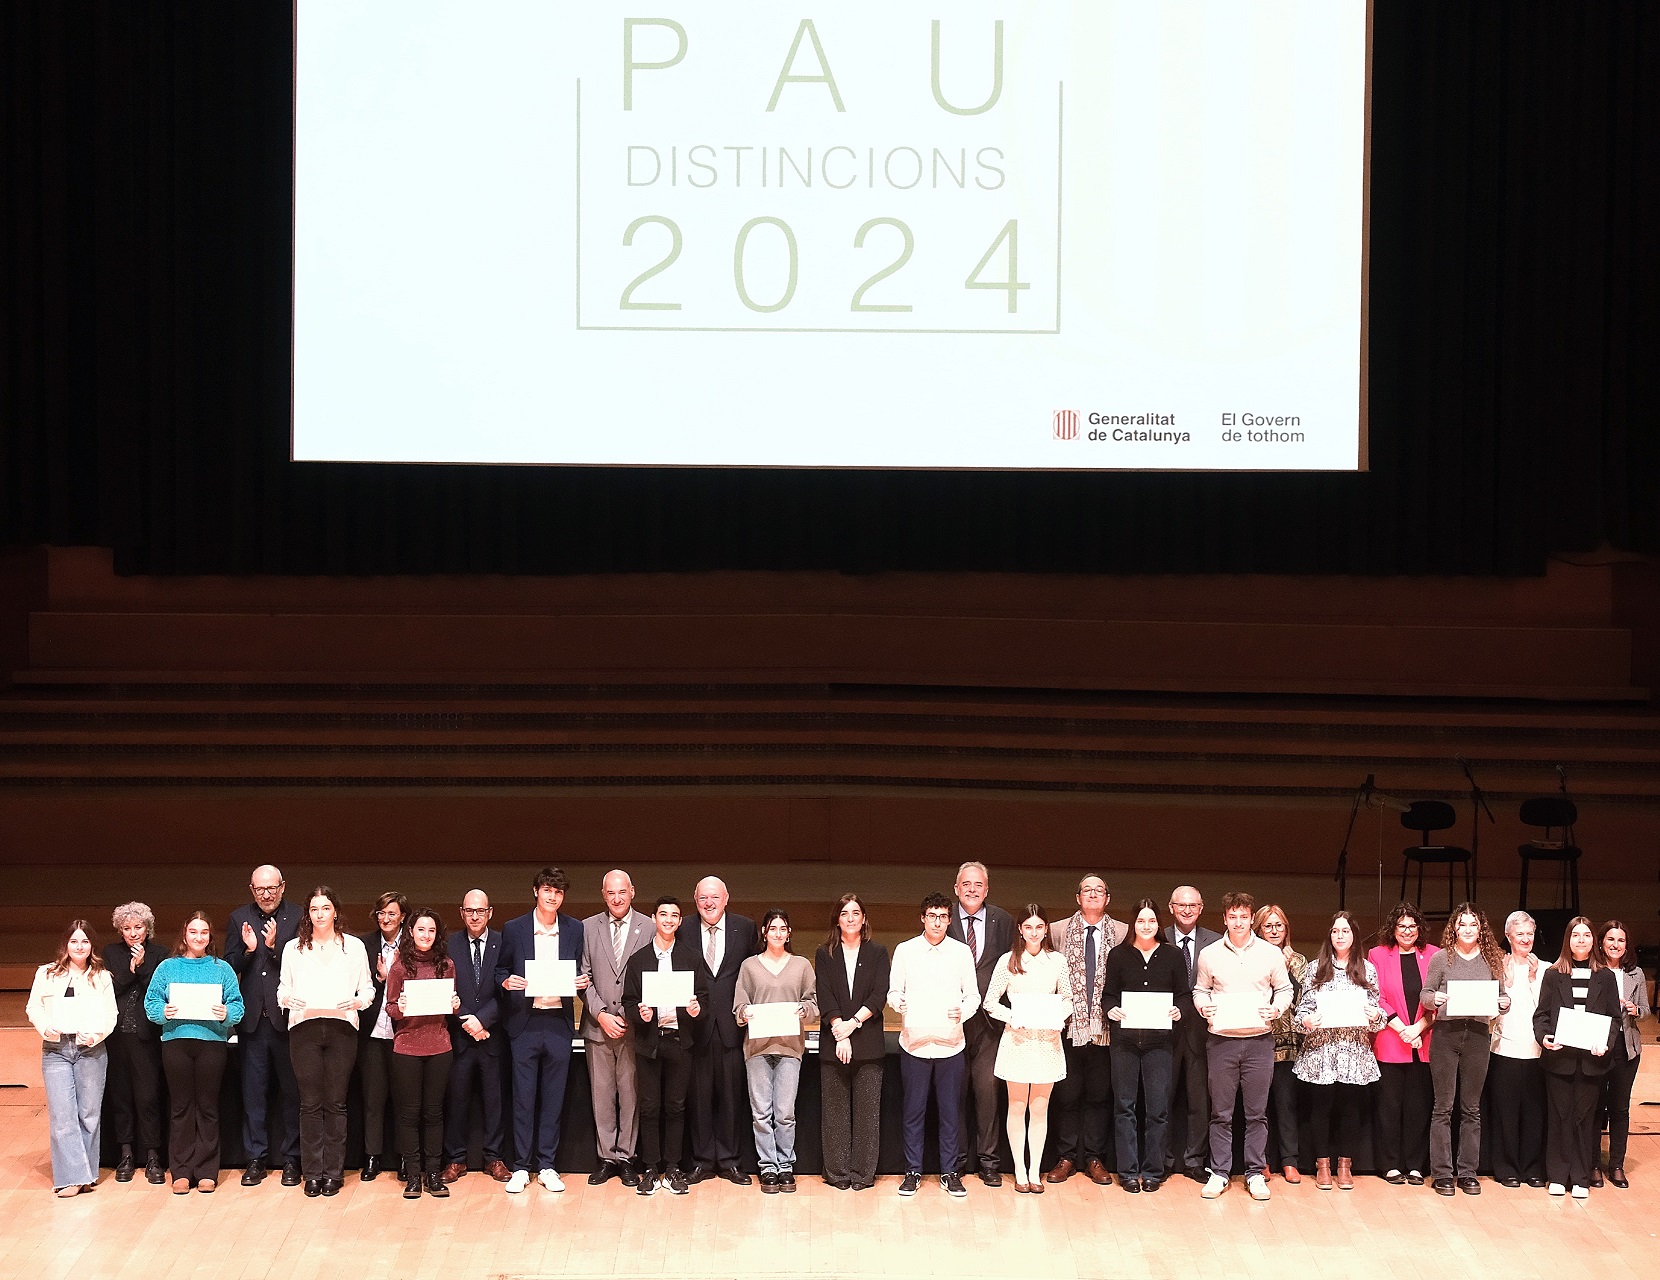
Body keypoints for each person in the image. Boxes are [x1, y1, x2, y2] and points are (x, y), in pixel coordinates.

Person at [277, 886, 376, 1197]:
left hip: (341, 1029)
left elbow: (368, 990)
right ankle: (312, 1173)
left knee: (335, 1103)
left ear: (335, 912)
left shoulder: (354, 947)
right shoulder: (293, 948)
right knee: (309, 1104)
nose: (320, 914)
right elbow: (282, 989)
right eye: (314, 909)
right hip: (304, 1028)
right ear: (308, 914)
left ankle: (333, 1172)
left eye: (325, 908)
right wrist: (287, 999)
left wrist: (358, 1002)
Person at [1193, 891, 1292, 1201]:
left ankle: (1254, 1173)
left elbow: (1285, 989)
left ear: (1251, 919)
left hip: (1258, 1042)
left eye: (1243, 917)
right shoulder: (1209, 954)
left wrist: (1276, 1008)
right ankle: (1220, 1172)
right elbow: (1200, 990)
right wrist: (1203, 1006)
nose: (1238, 922)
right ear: (1225, 919)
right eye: (1232, 917)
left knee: (1256, 1114)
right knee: (1221, 1113)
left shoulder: (1270, 953)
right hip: (1222, 1041)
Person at [496, 866, 587, 1194]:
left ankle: (547, 1165)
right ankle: (522, 1166)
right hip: (525, 1023)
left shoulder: (574, 929)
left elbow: (580, 970)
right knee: (523, 1098)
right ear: (536, 891)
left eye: (558, 892)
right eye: (547, 890)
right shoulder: (515, 928)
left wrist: (582, 981)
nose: (552, 896)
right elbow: (501, 969)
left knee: (553, 1097)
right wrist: (506, 982)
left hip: (559, 1024)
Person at [888, 891, 980, 1199]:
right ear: (922, 918)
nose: (937, 922)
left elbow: (973, 996)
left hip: (950, 1045)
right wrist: (898, 1002)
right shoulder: (905, 950)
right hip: (914, 1044)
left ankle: (949, 1172)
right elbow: (893, 992)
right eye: (932, 916)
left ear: (949, 920)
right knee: (913, 1112)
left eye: (942, 917)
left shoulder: (961, 952)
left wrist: (962, 1011)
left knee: (950, 1113)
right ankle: (912, 1171)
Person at [144, 912, 243, 1193]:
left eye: (204, 932)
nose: (198, 937)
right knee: (181, 1107)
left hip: (212, 1043)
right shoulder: (167, 967)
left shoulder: (222, 969)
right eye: (193, 932)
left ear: (210, 937)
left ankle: (207, 1171)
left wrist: (226, 1013)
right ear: (184, 935)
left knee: (208, 1107)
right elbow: (151, 1002)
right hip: (176, 1042)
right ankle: (182, 1172)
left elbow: (237, 1005)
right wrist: (163, 1011)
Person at [1421, 902, 1510, 1196]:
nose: (1468, 929)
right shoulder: (1441, 958)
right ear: (1454, 928)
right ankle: (1442, 1174)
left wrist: (1505, 1004)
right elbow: (1425, 994)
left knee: (1471, 1108)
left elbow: (1502, 997)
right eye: (1463, 924)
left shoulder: (1491, 958)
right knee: (1443, 1107)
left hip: (1477, 1036)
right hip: (1446, 1035)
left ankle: (1468, 1172)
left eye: (1474, 924)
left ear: (1481, 928)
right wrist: (1434, 999)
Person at [624, 896, 709, 1195]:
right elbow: (629, 1001)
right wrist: (640, 1014)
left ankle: (672, 1167)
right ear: (654, 918)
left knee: (676, 1106)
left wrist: (697, 1010)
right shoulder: (638, 960)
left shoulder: (691, 958)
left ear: (680, 921)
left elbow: (703, 998)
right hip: (649, 1042)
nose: (669, 920)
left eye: (674, 915)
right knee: (649, 1107)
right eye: (663, 914)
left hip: (679, 1041)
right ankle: (650, 1167)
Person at [225, 863, 303, 1186]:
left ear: (282, 886)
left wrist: (272, 950)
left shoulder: (299, 916)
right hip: (253, 1022)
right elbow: (229, 963)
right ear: (251, 889)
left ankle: (292, 1159)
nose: (267, 894)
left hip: (287, 1020)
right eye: (260, 889)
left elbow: (303, 964)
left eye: (272, 888)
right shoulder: (238, 917)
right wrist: (248, 950)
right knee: (253, 1095)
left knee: (292, 1093)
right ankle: (255, 1158)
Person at [26, 920, 118, 1196]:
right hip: (56, 1050)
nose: (79, 947)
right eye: (74, 941)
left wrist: (96, 1035)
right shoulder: (47, 973)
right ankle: (72, 1178)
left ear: (92, 946)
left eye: (85, 941)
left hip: (90, 1049)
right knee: (62, 1116)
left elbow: (110, 1014)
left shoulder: (102, 976)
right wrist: (45, 1027)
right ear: (65, 944)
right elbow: (34, 1007)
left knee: (89, 1115)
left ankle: (86, 1175)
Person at [1044, 874, 1126, 1185]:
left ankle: (1094, 1157)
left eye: (1099, 890)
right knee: (1067, 1095)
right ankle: (1066, 1157)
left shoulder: (1122, 932)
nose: (1093, 894)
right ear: (1078, 898)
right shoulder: (1057, 930)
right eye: (1087, 890)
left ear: (1108, 898)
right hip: (1068, 1027)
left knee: (1099, 1095)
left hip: (1106, 1029)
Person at [1293, 911, 1383, 1190]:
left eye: (1345, 931)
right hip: (1322, 1051)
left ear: (1354, 935)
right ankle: (1322, 1165)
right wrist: (1307, 1021)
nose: (1340, 936)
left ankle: (1345, 1165)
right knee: (1320, 1108)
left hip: (1354, 1051)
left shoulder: (1367, 970)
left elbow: (1378, 1014)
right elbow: (1301, 1011)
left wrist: (1374, 1015)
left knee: (1350, 1109)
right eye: (1335, 931)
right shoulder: (1315, 968)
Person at [982, 904, 1068, 1193]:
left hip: (1047, 1042)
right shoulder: (1008, 961)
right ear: (1020, 929)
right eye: (1028, 927)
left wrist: (1059, 1018)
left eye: (1039, 927)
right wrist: (1012, 1017)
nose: (1034, 932)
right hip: (1017, 1041)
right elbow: (990, 1002)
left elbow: (1067, 998)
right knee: (1017, 1107)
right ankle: (1019, 1170)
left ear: (1046, 929)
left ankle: (1035, 1171)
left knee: (1040, 1109)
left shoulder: (1057, 961)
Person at [1534, 916, 1620, 1199]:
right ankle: (1558, 1176)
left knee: (1585, 1119)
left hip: (1592, 1061)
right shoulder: (1553, 974)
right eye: (1575, 935)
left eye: (1586, 935)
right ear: (1567, 940)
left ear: (1594, 940)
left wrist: (1605, 1044)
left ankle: (1581, 1178)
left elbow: (1614, 1019)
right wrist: (1544, 1037)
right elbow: (1542, 1015)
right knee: (1560, 1117)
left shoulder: (1605, 977)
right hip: (1560, 1060)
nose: (1581, 940)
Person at [1103, 900, 1187, 1192]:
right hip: (1125, 1043)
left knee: (1157, 1109)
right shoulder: (1119, 955)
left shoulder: (1172, 955)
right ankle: (1127, 1171)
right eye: (1141, 921)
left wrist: (1179, 1010)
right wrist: (1111, 1009)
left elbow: (1184, 995)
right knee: (1124, 1107)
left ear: (1158, 924)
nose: (1146, 926)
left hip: (1160, 1044)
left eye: (1151, 921)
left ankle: (1153, 1170)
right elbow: (1109, 995)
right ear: (1133, 924)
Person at [734, 909, 818, 1192]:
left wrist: (804, 1009)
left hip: (790, 1047)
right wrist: (744, 1013)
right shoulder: (749, 966)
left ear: (789, 933)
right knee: (761, 1112)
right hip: (757, 1048)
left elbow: (813, 1004)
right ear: (764, 932)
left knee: (784, 1113)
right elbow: (739, 1005)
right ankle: (768, 1166)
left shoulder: (801, 965)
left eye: (783, 929)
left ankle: (785, 1165)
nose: (778, 933)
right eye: (773, 928)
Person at [579, 870, 654, 1186]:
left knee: (631, 1095)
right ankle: (606, 1157)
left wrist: (627, 1014)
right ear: (603, 894)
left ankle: (626, 1157)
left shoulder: (649, 927)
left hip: (633, 1028)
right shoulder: (587, 927)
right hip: (598, 1027)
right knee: (602, 1096)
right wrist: (601, 1015)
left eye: (622, 891)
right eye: (611, 893)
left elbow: (653, 973)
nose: (617, 898)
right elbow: (583, 978)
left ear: (632, 891)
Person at [945, 861, 1015, 1186]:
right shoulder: (943, 918)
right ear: (956, 888)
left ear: (986, 890)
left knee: (988, 1093)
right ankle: (956, 1160)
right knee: (955, 1094)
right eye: (966, 884)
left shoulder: (1003, 921)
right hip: (953, 1022)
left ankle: (989, 1162)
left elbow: (1014, 966)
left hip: (990, 1025)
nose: (972, 890)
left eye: (978, 885)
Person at [386, 906, 463, 1198]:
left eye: (431, 930)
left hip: (439, 1046)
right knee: (409, 1114)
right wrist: (400, 1007)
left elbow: (450, 1007)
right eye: (421, 929)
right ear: (411, 932)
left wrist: (455, 1005)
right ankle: (413, 1176)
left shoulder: (447, 965)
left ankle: (433, 1174)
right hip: (407, 1047)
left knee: (433, 1113)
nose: (426, 935)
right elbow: (390, 1007)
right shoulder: (399, 967)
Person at [814, 892, 889, 1192]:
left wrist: (853, 1024)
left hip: (867, 1042)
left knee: (868, 1115)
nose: (850, 918)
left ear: (864, 918)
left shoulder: (878, 952)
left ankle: (862, 1174)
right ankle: (837, 1172)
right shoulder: (825, 954)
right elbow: (824, 994)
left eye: (856, 913)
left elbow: (879, 994)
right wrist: (839, 1029)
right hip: (833, 1041)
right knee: (834, 1114)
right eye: (844, 913)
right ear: (837, 920)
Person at [686, 875, 757, 1185]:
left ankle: (730, 1161)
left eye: (715, 897)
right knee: (699, 1098)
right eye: (703, 897)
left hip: (732, 1026)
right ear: (695, 900)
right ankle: (702, 1161)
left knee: (731, 1097)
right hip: (696, 1026)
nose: (709, 903)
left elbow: (754, 970)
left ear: (726, 899)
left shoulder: (746, 928)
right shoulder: (684, 927)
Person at [440, 889, 511, 1184]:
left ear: (490, 913)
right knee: (456, 1101)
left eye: (480, 911)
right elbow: (444, 987)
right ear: (461, 912)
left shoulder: (503, 943)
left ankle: (494, 1157)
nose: (475, 916)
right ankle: (456, 1159)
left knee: (495, 1101)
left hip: (493, 1035)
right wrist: (467, 1020)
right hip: (460, 1036)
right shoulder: (449, 944)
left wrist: (483, 1020)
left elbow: (508, 989)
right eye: (469, 911)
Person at [1368, 901, 1437, 1185]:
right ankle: (1390, 1164)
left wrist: (1419, 1027)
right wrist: (1403, 1030)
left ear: (1419, 928)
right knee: (1389, 1107)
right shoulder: (1377, 954)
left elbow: (1439, 997)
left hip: (1424, 1041)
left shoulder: (1434, 955)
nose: (1407, 931)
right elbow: (1377, 997)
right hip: (1391, 1040)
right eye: (1401, 926)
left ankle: (1416, 1165)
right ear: (1393, 929)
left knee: (1419, 1107)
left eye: (1412, 926)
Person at [104, 901, 166, 1185]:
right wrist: (132, 969)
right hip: (117, 1036)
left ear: (147, 928)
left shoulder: (160, 953)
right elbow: (114, 986)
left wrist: (140, 968)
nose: (133, 933)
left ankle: (153, 1155)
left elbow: (156, 987)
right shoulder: (111, 952)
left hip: (146, 1037)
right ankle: (126, 1153)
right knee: (121, 1097)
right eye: (127, 928)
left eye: (138, 927)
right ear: (120, 930)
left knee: (148, 1097)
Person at [1164, 885, 1220, 1181]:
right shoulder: (1158, 936)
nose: (1187, 910)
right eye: (1181, 905)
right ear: (1171, 907)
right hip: (1164, 1028)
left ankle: (1194, 1160)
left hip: (1202, 1030)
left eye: (1193, 905)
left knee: (1199, 1100)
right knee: (1163, 1098)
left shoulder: (1217, 941)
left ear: (1201, 908)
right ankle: (1162, 1159)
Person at [1488, 910, 1547, 1188]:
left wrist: (1533, 980)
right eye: (1519, 934)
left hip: (1536, 1051)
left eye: (1529, 934)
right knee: (1506, 1114)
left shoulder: (1545, 969)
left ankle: (1533, 1168)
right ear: (1508, 936)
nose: (1525, 939)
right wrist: (1506, 986)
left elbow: (1547, 1010)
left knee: (1534, 1113)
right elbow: (1488, 1013)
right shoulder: (1497, 967)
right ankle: (1507, 1168)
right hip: (1504, 1050)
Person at [1253, 904, 1307, 1183]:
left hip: (1289, 1046)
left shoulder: (1298, 960)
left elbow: (1303, 999)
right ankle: (1261, 1160)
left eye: (1279, 926)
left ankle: (1289, 1161)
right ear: (1259, 930)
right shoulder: (1251, 958)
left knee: (1286, 1105)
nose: (1274, 931)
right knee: (1259, 1107)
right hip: (1258, 1040)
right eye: (1268, 926)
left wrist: (1286, 970)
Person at [356, 889, 407, 1181]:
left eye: (391, 914)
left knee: (404, 1100)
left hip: (405, 1033)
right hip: (373, 1034)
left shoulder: (413, 944)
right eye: (381, 913)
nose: (386, 919)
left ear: (403, 917)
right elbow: (357, 986)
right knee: (372, 1100)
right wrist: (380, 980)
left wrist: (395, 976)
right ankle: (372, 1157)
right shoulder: (363, 945)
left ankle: (405, 1158)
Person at [1594, 919, 1648, 1189]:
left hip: (1626, 1048)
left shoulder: (1636, 974)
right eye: (1611, 939)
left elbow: (1646, 1011)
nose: (1615, 945)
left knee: (1619, 1108)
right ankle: (1593, 1163)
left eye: (1621, 940)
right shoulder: (1593, 970)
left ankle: (1616, 1164)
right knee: (1595, 1107)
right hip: (1597, 1045)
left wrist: (1635, 1010)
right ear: (1601, 942)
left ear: (1627, 945)